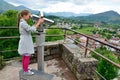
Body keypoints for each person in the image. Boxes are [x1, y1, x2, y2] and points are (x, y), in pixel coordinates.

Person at [17, 10, 44, 75]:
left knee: (25, 55)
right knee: (27, 56)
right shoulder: (23, 23)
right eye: (29, 15)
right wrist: (38, 22)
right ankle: (26, 71)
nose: (30, 16)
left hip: (25, 40)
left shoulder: (23, 22)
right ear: (24, 16)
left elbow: (29, 29)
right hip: (25, 41)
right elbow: (31, 30)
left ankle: (25, 68)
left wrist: (36, 23)